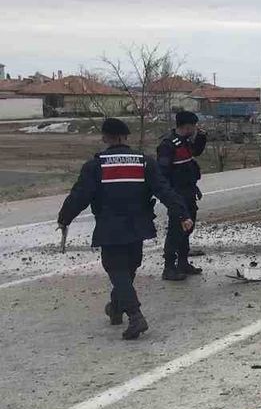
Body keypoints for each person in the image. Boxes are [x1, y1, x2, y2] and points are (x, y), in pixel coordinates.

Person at [57, 118, 193, 340]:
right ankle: (116, 307)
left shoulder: (96, 166)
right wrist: (182, 214)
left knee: (117, 270)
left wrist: (64, 219)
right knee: (128, 268)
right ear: (126, 137)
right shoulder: (144, 162)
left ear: (105, 137)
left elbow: (79, 196)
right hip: (139, 225)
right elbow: (164, 190)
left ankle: (135, 316)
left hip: (111, 227)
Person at [156, 111, 206, 280]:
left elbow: (195, 153)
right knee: (176, 230)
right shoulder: (168, 145)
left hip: (189, 191)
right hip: (176, 194)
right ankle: (169, 267)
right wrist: (170, 196)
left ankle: (183, 263)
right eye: (194, 126)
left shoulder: (184, 141)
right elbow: (162, 173)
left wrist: (201, 138)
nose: (195, 129)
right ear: (186, 126)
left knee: (188, 227)